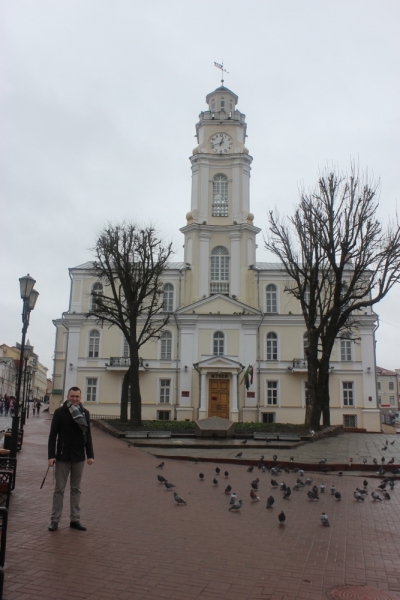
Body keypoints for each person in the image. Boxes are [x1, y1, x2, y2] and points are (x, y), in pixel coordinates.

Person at [47, 386, 94, 532]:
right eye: (72, 396)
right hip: (62, 456)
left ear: (80, 398)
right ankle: (55, 520)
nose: (74, 399)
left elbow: (88, 435)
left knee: (76, 489)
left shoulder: (84, 413)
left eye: (77, 396)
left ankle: (75, 519)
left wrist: (90, 455)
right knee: (59, 489)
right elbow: (52, 435)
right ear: (68, 396)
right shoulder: (60, 412)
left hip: (79, 456)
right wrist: (51, 456)